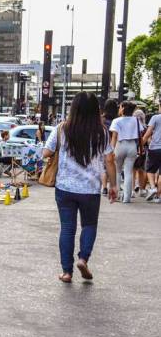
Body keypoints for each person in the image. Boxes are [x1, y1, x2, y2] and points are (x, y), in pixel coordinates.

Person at [43, 92, 117, 284]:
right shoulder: (101, 132)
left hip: (65, 188)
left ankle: (67, 272)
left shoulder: (62, 129)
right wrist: (113, 185)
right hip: (91, 189)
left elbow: (46, 152)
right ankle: (83, 259)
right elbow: (109, 159)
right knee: (89, 225)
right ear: (95, 110)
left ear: (73, 108)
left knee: (67, 228)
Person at [110, 101, 145, 203]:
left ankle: (116, 196)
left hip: (120, 145)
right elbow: (140, 136)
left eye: (120, 107)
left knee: (117, 171)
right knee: (128, 172)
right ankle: (127, 198)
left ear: (123, 109)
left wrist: (111, 150)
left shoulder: (116, 121)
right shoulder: (136, 120)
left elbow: (114, 137)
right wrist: (141, 149)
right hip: (132, 146)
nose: (119, 109)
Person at [142, 102, 161, 202]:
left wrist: (140, 145)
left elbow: (147, 134)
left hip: (155, 148)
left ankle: (153, 187)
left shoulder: (155, 118)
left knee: (150, 170)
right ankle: (158, 196)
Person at [100, 99, 119, 194]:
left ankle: (104, 187)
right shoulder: (117, 120)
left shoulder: (101, 119)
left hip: (102, 144)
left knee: (103, 167)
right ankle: (112, 185)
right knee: (111, 165)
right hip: (114, 144)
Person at [133, 109, 149, 196]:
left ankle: (131, 190)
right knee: (141, 170)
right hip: (143, 150)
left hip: (133, 149)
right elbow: (148, 140)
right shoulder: (146, 127)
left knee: (133, 170)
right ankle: (142, 190)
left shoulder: (133, 127)